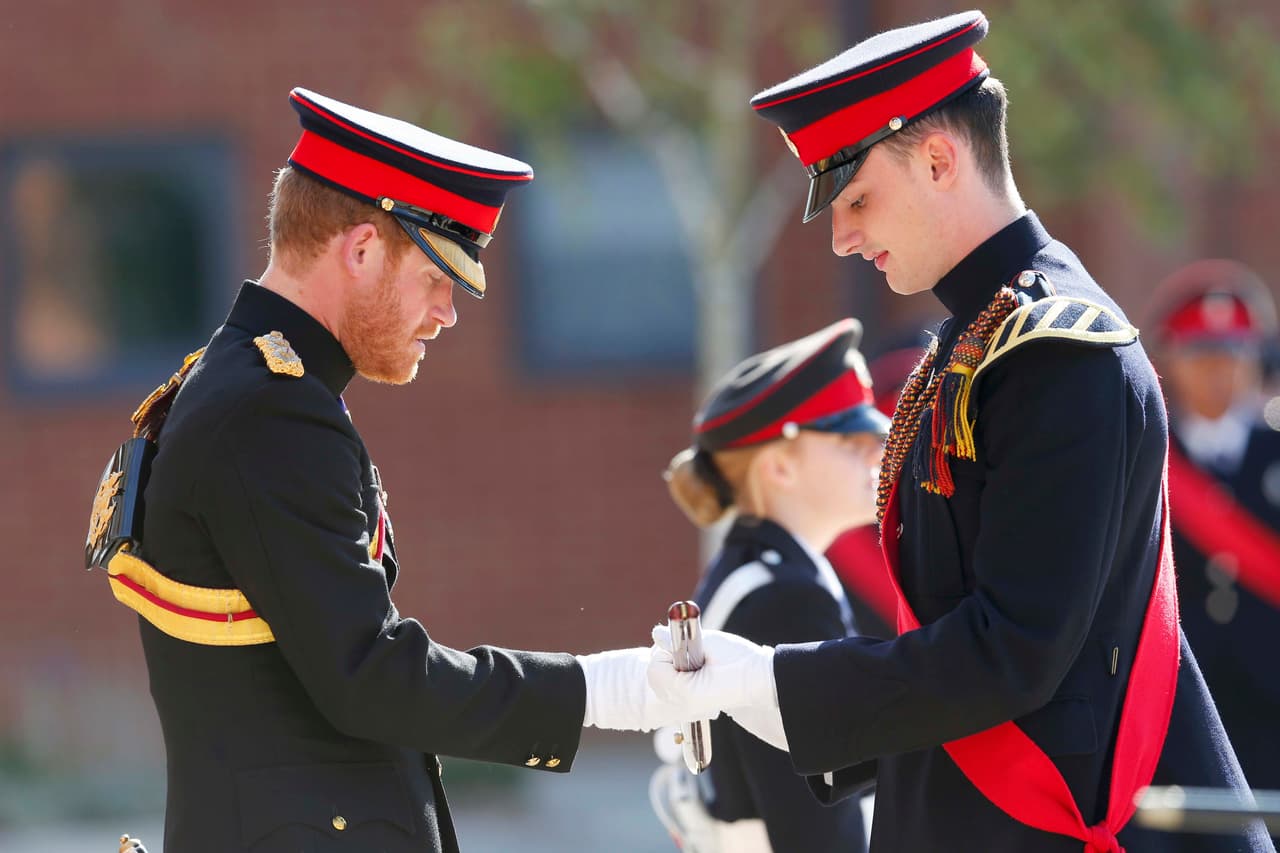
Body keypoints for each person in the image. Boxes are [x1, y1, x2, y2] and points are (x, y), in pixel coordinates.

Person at [647, 11, 1272, 852]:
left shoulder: (1054, 351)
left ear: (940, 159)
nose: (841, 236)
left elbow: (1015, 651)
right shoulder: (974, 345)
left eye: (858, 198)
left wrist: (771, 682)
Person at [84, 88, 689, 853]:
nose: (448, 312)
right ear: (362, 249)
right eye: (438, 276)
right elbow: (372, 674)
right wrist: (607, 689)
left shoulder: (237, 383)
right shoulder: (272, 411)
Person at [651, 318, 881, 852]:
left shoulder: (766, 574)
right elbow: (819, 832)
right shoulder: (784, 600)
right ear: (779, 466)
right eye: (852, 439)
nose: (877, 450)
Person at [1149, 260, 1280, 791]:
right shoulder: (1149, 455)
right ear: (1170, 360)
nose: (1219, 369)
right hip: (1176, 697)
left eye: (1234, 353)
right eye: (1201, 353)